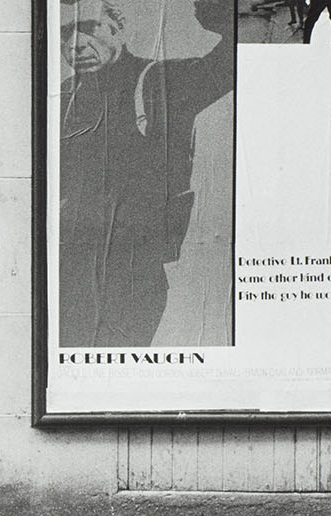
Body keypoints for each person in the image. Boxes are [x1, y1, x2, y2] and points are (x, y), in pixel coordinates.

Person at [57, 0, 234, 347]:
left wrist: (217, 10)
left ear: (118, 30)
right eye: (65, 33)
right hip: (68, 271)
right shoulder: (62, 98)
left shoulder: (158, 84)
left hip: (131, 277)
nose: (75, 43)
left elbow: (228, 62)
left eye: (90, 27)